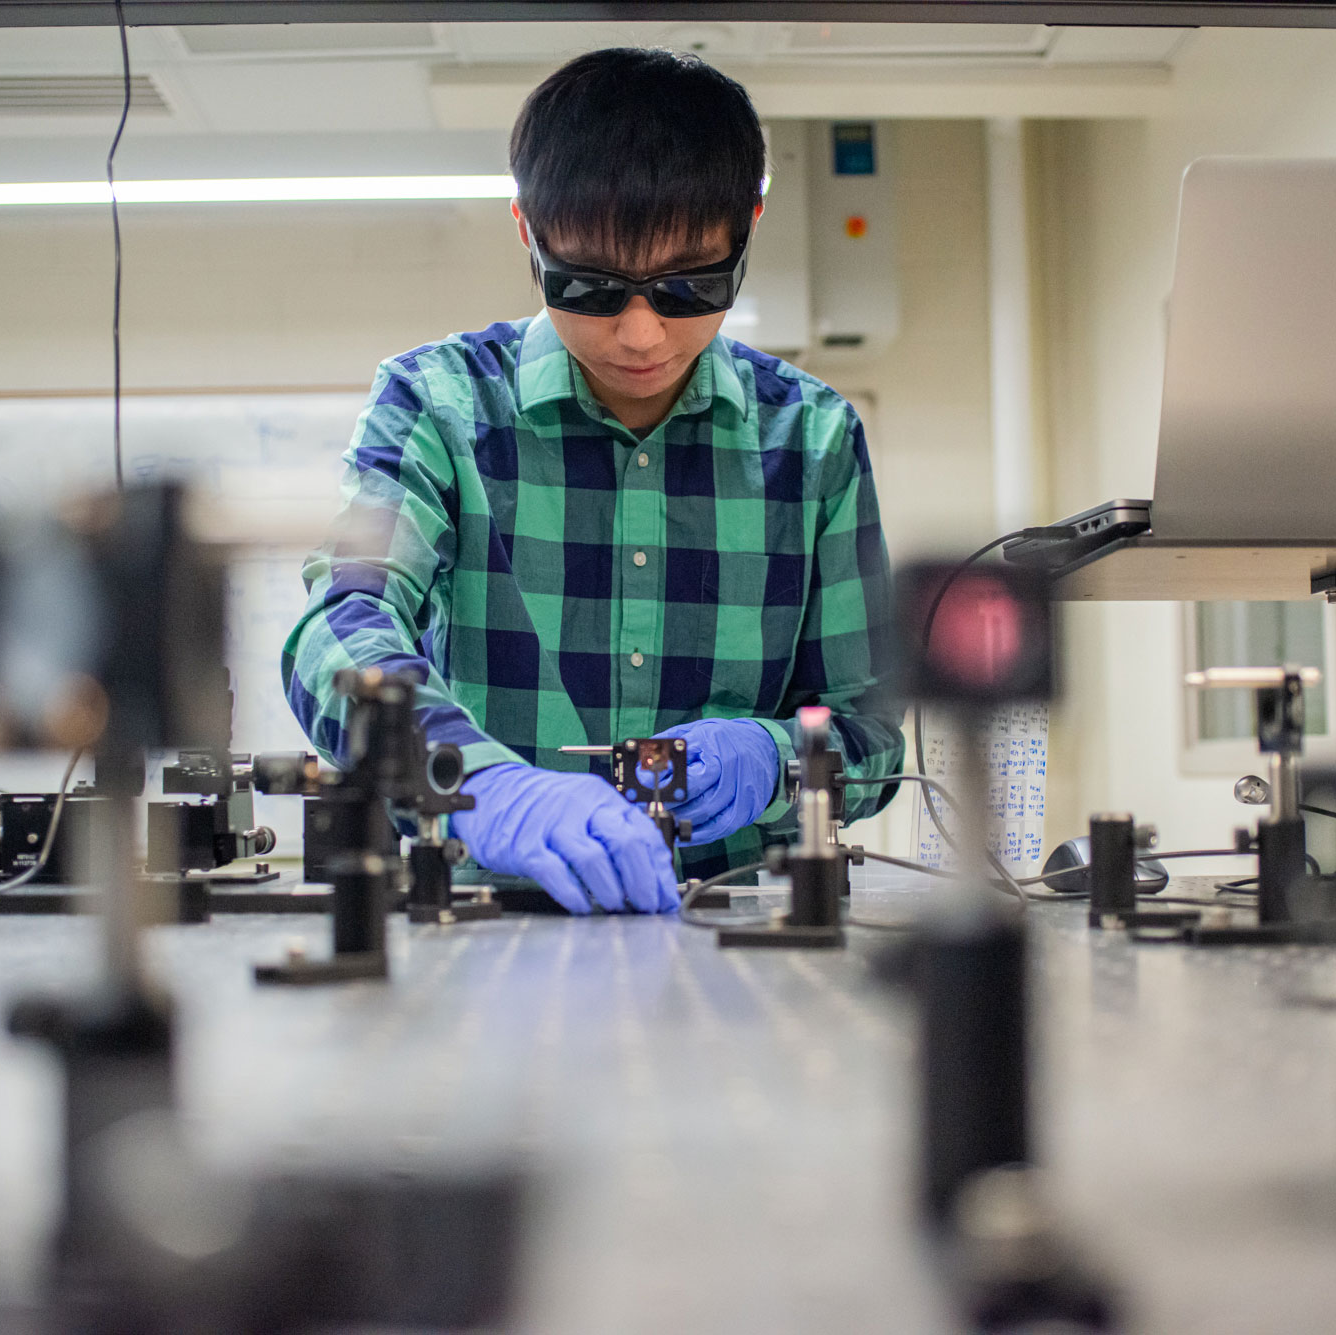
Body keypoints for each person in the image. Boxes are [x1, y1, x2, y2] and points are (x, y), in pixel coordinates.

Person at [282, 47, 902, 915]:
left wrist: (772, 757)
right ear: (528, 235)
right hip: (474, 926)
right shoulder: (439, 405)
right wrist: (485, 786)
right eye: (592, 286)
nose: (642, 335)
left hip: (727, 938)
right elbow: (339, 628)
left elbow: (870, 732)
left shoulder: (815, 438)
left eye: (689, 285)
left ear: (750, 229)